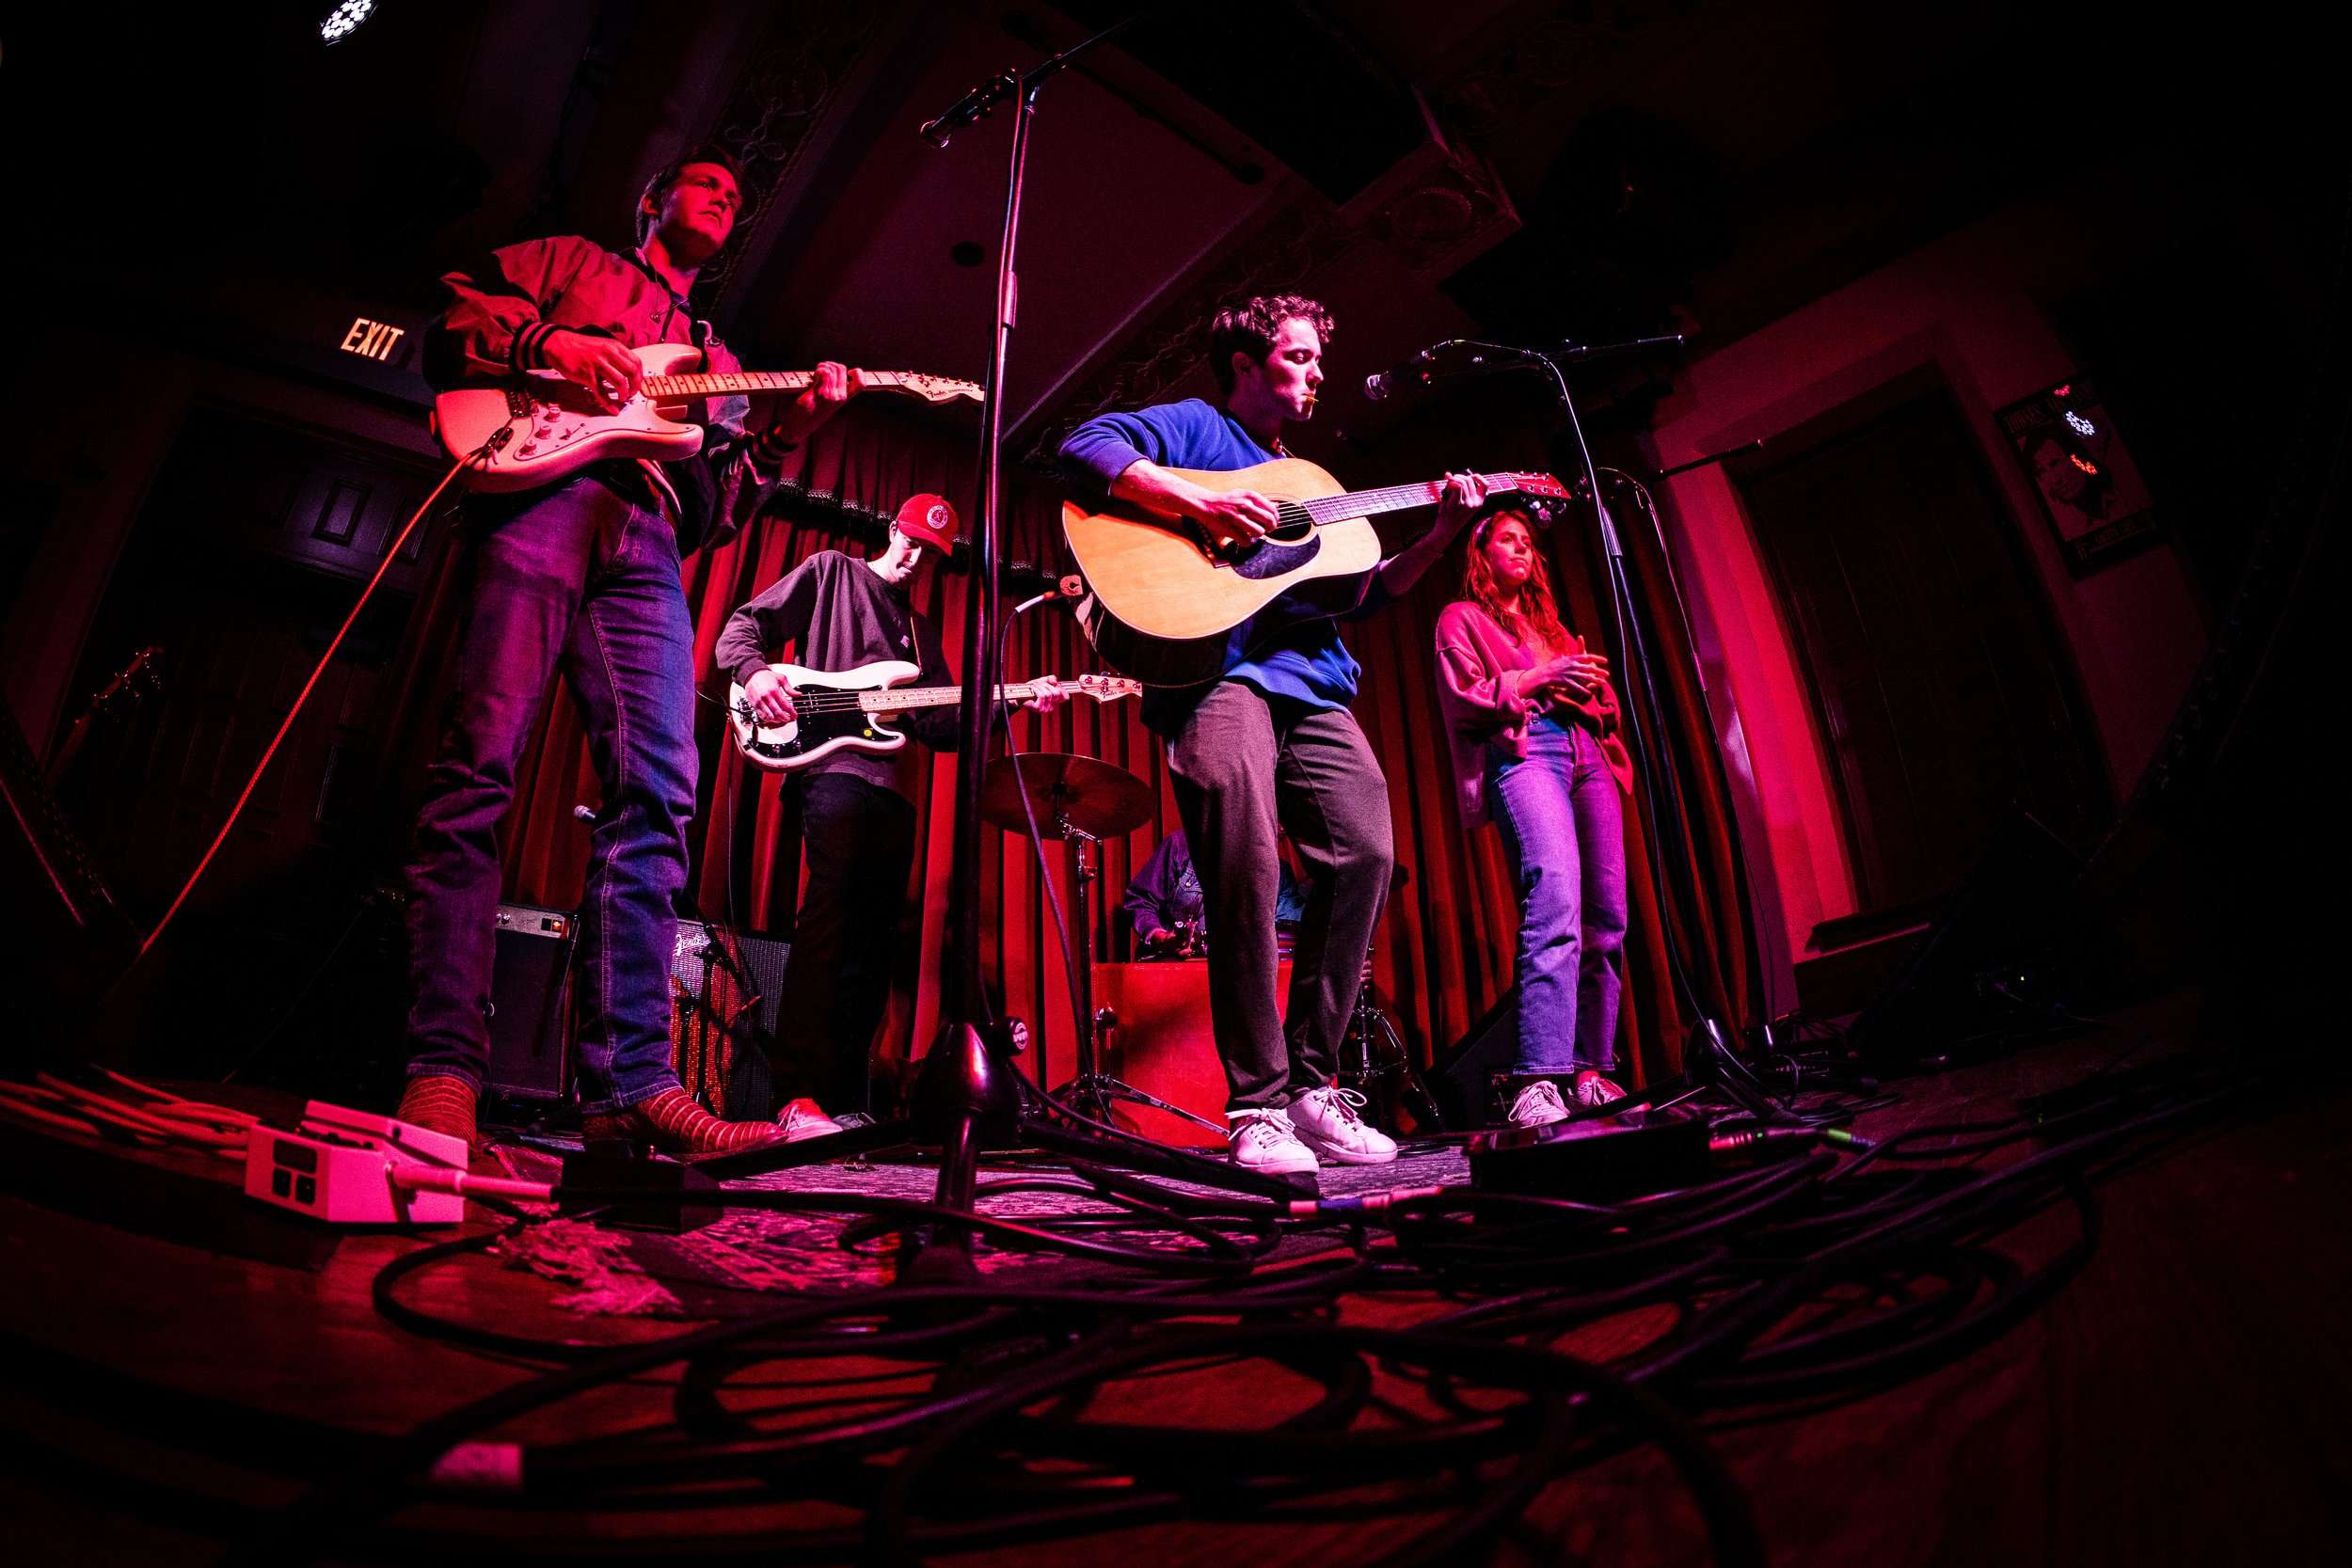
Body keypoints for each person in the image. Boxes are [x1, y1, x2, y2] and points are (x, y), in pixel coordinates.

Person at [396, 144, 861, 1156]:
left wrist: (783, 433)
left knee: (659, 790)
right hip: (542, 499)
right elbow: (457, 323)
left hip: (647, 538)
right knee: (480, 769)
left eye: (736, 197)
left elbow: (718, 508)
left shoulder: (720, 358)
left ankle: (630, 1085)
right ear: (652, 200)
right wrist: (558, 345)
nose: (723, 201)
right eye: (705, 185)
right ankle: (442, 1069)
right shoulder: (572, 260)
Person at [1059, 293, 1488, 1174]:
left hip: (1311, 683)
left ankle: (1313, 1087)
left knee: (1366, 849)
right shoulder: (1197, 428)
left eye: (1318, 360)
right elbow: (1084, 447)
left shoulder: (1315, 486)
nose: (1317, 373)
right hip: (1215, 675)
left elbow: (1362, 593)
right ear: (1247, 365)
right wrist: (1196, 504)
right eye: (1297, 358)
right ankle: (1256, 1105)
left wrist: (1443, 534)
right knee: (1245, 861)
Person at [714, 496, 1065, 1123]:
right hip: (830, 774)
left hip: (894, 796)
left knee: (871, 951)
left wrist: (1015, 697)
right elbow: (743, 625)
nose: (914, 557)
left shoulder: (920, 631)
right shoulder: (830, 572)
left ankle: (845, 1100)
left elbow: (940, 722)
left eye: (929, 553)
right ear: (891, 530)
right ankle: (794, 1093)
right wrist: (756, 673)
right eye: (909, 541)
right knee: (826, 928)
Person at [1434, 510, 1634, 1128]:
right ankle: (1537, 1078)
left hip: (1586, 752)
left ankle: (1590, 1069)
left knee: (1608, 913)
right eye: (1508, 540)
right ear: (1482, 551)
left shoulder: (1554, 627)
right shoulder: (1460, 618)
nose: (1521, 549)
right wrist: (1538, 676)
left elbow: (1598, 698)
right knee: (1553, 897)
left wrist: (1591, 692)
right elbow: (1465, 697)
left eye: (1527, 542)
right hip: (1527, 750)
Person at [1121, 828, 1306, 958]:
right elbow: (1140, 901)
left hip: (1234, 982)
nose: (1283, 829)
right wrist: (1161, 938)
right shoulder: (1183, 846)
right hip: (1171, 971)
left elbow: (1286, 936)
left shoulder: (1281, 873)